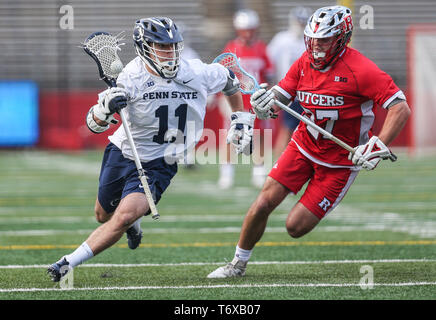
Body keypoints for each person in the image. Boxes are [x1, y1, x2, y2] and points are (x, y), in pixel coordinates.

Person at [207, 6, 411, 278]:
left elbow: (400, 107)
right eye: (313, 39)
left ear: (341, 38)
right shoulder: (304, 61)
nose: (316, 46)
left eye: (324, 40)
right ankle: (237, 264)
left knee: (295, 226)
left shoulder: (360, 69)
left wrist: (377, 144)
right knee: (263, 201)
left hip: (339, 162)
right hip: (303, 146)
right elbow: (281, 93)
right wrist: (265, 103)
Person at [47, 17, 255, 282]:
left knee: (122, 217)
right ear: (144, 47)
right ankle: (135, 222)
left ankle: (66, 264)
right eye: (162, 47)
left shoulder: (196, 71)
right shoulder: (131, 76)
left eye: (172, 46)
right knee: (103, 215)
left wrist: (238, 117)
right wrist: (104, 109)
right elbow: (93, 125)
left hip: (161, 161)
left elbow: (229, 79)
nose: (170, 53)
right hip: (123, 152)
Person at [217, 8, 275, 189]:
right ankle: (227, 173)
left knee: (260, 136)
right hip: (237, 101)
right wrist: (223, 99)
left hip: (257, 100)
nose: (248, 34)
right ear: (238, 30)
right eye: (245, 30)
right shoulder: (231, 48)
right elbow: (224, 76)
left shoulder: (262, 48)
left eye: (251, 29)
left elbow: (270, 76)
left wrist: (270, 97)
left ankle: (259, 170)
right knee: (232, 134)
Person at [267, 6, 311, 158]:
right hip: (288, 92)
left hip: (307, 93)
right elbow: (269, 62)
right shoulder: (282, 39)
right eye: (298, 22)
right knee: (287, 129)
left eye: (303, 22)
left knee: (307, 132)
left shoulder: (310, 41)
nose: (300, 25)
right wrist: (273, 85)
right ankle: (279, 162)